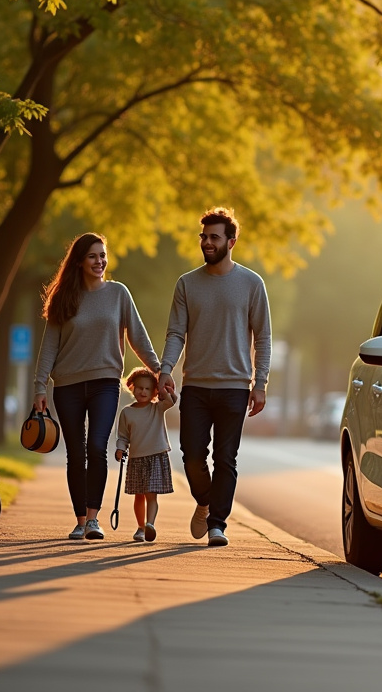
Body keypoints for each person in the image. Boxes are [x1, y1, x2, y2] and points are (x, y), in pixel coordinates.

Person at [33, 232, 162, 541]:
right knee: (75, 453)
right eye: (93, 256)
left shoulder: (119, 294)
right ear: (79, 261)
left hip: (106, 382)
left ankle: (93, 519)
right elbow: (49, 346)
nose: (100, 261)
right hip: (68, 386)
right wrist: (39, 388)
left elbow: (137, 337)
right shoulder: (64, 298)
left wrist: (159, 370)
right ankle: (79, 520)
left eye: (103, 255)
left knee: (96, 448)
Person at [159, 207, 272, 547]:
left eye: (214, 237)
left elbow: (263, 336)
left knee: (225, 458)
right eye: (204, 237)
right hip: (195, 385)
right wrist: (166, 368)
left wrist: (260, 382)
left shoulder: (252, 284)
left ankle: (217, 524)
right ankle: (205, 502)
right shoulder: (187, 284)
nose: (207, 243)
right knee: (192, 454)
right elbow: (176, 332)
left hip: (235, 387)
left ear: (231, 241)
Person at [115, 367, 176, 542]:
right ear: (132, 387)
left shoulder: (157, 408)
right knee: (139, 495)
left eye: (148, 389)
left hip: (156, 456)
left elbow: (171, 401)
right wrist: (120, 449)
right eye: (139, 387)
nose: (143, 391)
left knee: (151, 493)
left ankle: (150, 524)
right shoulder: (127, 412)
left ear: (154, 391)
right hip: (136, 458)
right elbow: (123, 436)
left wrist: (167, 389)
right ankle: (140, 527)